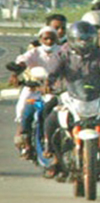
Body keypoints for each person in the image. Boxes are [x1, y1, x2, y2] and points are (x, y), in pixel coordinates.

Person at [43, 22, 100, 177]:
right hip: (69, 96)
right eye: (81, 39)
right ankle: (52, 154)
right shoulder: (63, 53)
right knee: (50, 117)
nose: (84, 43)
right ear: (72, 39)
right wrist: (48, 82)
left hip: (96, 97)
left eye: (88, 40)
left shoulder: (99, 54)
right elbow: (53, 70)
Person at [9, 26, 65, 158]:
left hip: (55, 90)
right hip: (34, 88)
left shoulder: (62, 52)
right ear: (40, 39)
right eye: (46, 38)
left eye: (52, 38)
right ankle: (25, 142)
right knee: (23, 110)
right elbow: (23, 61)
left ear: (57, 39)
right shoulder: (35, 52)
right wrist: (15, 73)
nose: (49, 41)